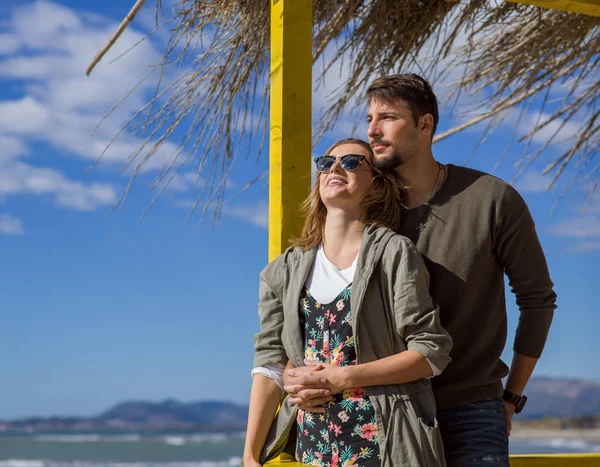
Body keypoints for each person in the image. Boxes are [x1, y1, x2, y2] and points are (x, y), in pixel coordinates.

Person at [283, 74, 557, 467]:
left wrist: (511, 396)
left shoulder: (492, 199)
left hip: (469, 409)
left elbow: (537, 301)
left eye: (388, 118)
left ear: (425, 124)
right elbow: (316, 308)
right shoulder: (362, 207)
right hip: (383, 409)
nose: (372, 131)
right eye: (369, 119)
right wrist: (302, 380)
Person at [242, 138, 452, 467]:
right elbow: (269, 366)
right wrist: (250, 456)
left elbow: (430, 352)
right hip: (313, 451)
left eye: (353, 162)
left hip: (386, 447)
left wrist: (343, 377)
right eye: (326, 163)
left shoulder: (394, 254)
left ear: (377, 186)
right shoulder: (281, 272)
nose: (336, 168)